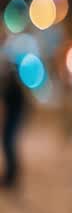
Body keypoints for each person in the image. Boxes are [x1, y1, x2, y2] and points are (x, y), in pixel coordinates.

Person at [1, 58, 27, 189]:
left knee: (9, 145)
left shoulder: (12, 85)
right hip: (14, 119)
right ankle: (11, 175)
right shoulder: (15, 84)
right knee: (9, 145)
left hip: (13, 120)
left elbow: (8, 104)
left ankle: (11, 176)